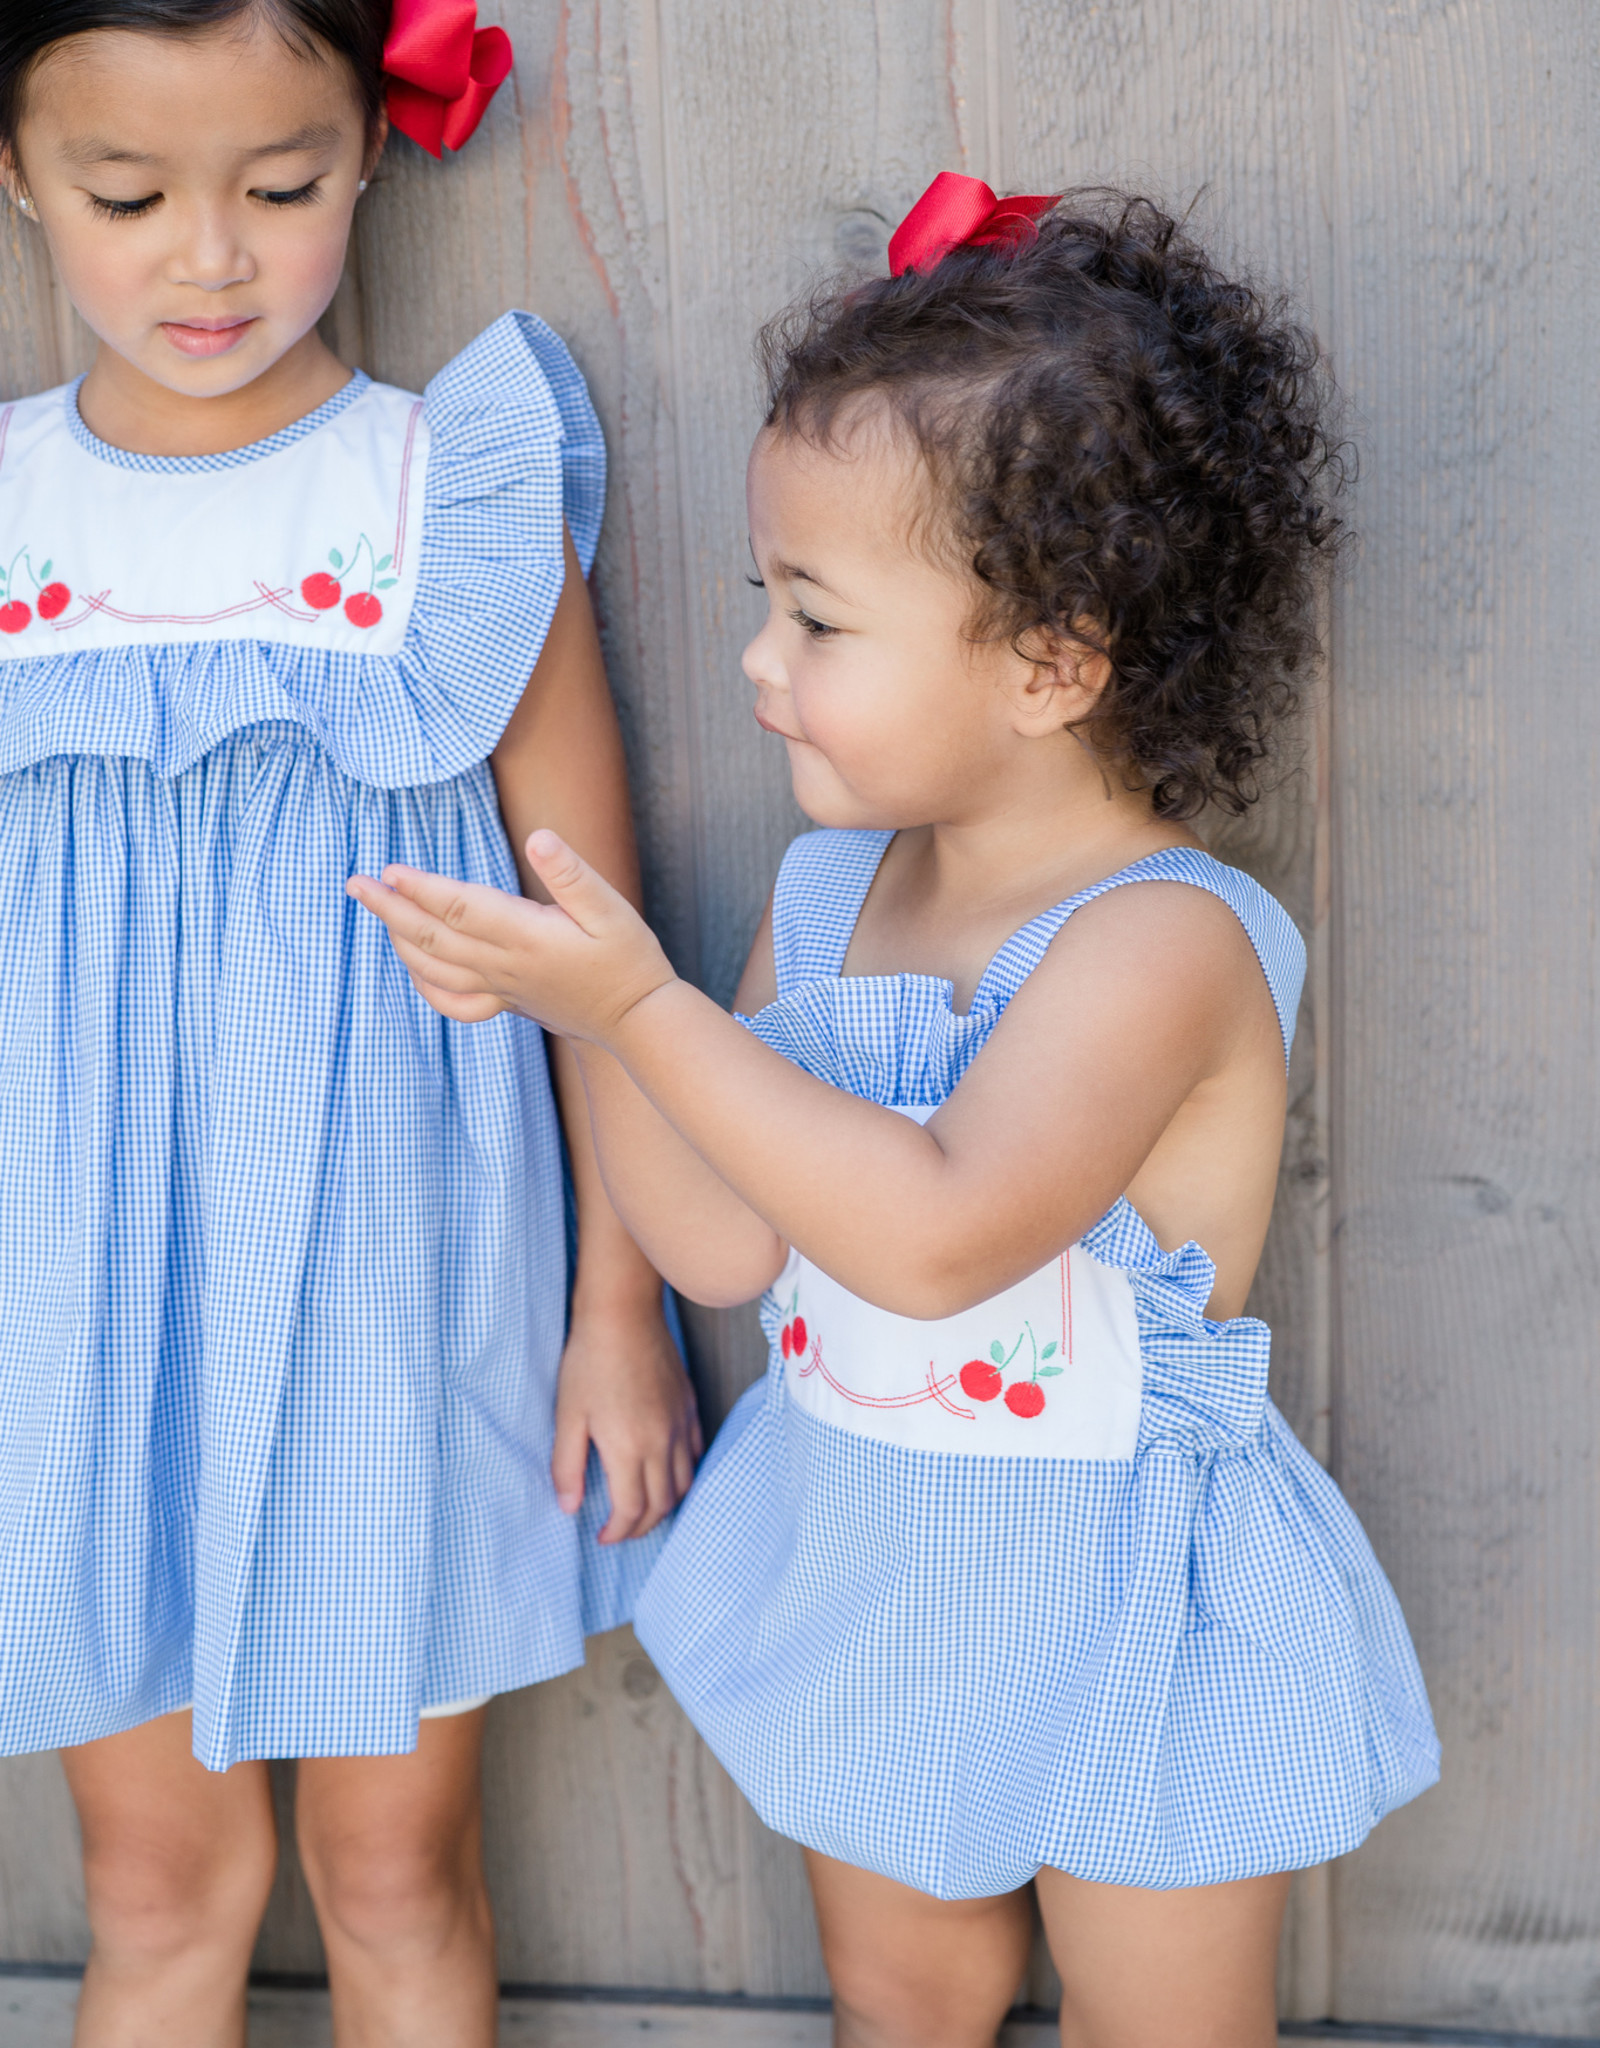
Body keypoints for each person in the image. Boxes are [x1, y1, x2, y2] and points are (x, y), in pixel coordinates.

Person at [350, 175, 1441, 2048]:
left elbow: (937, 1237)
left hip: (1125, 1603)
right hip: (870, 1555)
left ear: (1050, 661)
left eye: (820, 619)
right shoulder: (835, 897)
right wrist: (595, 1023)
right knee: (906, 1994)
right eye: (763, 604)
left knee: (1161, 2024)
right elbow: (728, 1240)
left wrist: (642, 1006)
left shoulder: (1160, 943)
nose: (764, 666)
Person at [0, 1, 699, 2042]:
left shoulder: (444, 496)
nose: (209, 255)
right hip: (74, 1282)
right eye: (128, 195)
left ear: (370, 155)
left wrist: (616, 1305)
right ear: (20, 178)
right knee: (152, 1876)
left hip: (394, 1262)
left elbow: (600, 949)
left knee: (392, 1863)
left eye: (280, 186)